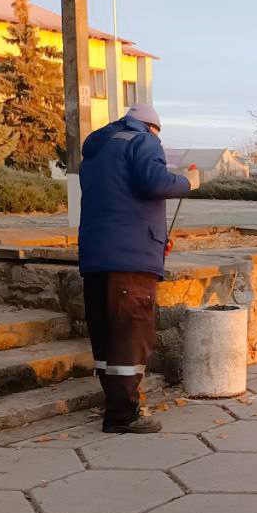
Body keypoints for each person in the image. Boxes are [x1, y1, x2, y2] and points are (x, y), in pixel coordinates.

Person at [78, 103, 199, 434]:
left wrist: (155, 241)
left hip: (97, 258)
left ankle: (115, 403)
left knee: (106, 335)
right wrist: (188, 181)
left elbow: (121, 201)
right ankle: (123, 415)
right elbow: (155, 182)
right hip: (130, 261)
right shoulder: (142, 140)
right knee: (131, 336)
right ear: (153, 127)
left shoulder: (98, 147)